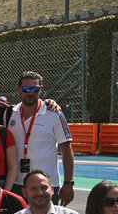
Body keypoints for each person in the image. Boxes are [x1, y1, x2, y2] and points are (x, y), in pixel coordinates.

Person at [7, 71, 74, 206]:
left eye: (35, 89)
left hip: (46, 185)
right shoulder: (9, 113)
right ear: (18, 90)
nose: (30, 93)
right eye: (26, 89)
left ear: (41, 89)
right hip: (18, 184)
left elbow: (67, 151)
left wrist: (68, 183)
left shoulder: (54, 114)